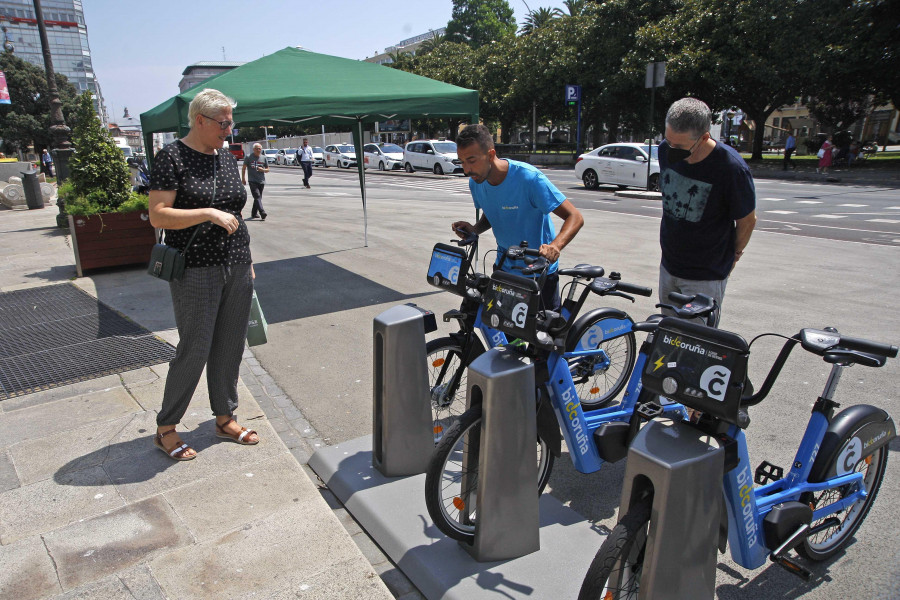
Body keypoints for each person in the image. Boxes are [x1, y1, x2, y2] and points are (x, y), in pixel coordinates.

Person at [148, 88, 259, 461]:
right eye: (223, 123)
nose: (229, 129)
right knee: (194, 347)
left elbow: (236, 212)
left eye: (231, 122)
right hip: (195, 267)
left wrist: (248, 260)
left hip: (236, 263)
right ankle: (166, 427)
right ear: (200, 120)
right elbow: (158, 214)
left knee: (230, 344)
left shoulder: (225, 158)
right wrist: (207, 213)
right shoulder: (172, 157)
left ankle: (225, 417)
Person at [451, 124, 584, 311]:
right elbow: (493, 211)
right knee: (504, 333)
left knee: (542, 337)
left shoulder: (529, 179)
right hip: (504, 269)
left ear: (490, 155)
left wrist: (555, 246)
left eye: (471, 160)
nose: (466, 170)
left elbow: (575, 216)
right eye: (462, 161)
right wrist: (475, 229)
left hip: (538, 272)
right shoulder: (476, 182)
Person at [657, 97, 757, 327]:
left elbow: (747, 220)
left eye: (680, 147)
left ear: (704, 137)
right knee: (667, 340)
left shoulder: (731, 168)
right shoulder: (665, 151)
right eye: (668, 141)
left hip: (705, 275)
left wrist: (735, 255)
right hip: (669, 265)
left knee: (695, 347)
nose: (671, 150)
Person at [242, 143, 269, 220]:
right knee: (257, 196)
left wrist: (263, 170)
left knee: (258, 197)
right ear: (253, 149)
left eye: (260, 148)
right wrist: (243, 178)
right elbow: (244, 168)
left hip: (261, 181)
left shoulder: (263, 158)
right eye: (257, 148)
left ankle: (254, 213)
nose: (258, 150)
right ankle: (262, 212)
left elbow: (268, 169)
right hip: (252, 180)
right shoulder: (248, 157)